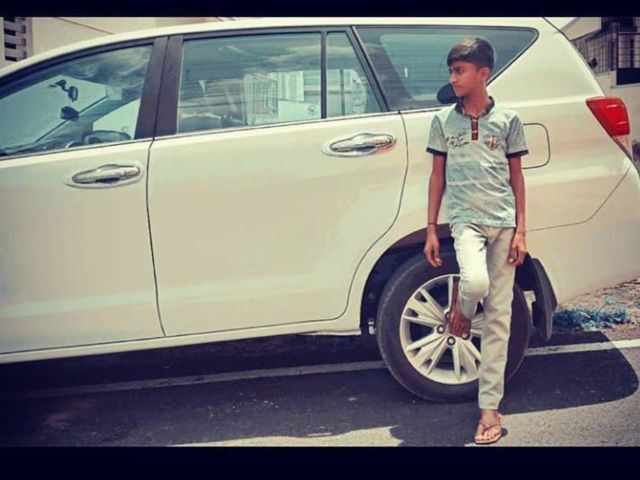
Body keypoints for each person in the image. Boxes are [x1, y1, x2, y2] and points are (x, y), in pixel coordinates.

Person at [423, 36, 529, 445]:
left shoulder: (509, 120)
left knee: (499, 318)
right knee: (475, 283)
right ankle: (462, 306)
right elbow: (437, 176)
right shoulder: (443, 121)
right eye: (451, 71)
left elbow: (517, 178)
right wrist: (431, 228)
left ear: (483, 74)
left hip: (504, 224)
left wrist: (521, 230)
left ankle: (490, 408)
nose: (453, 78)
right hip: (465, 221)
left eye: (459, 71)